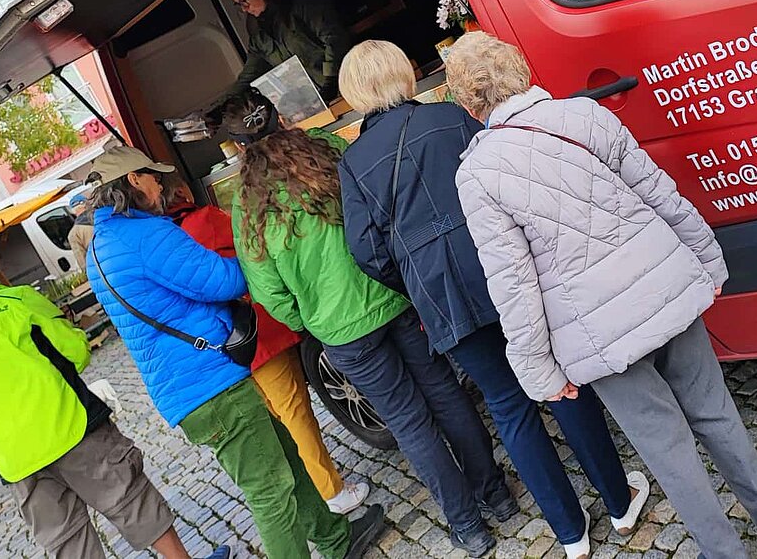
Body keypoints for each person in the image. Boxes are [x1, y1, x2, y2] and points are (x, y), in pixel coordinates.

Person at [446, 33, 757, 559]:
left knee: (667, 447)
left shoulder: (477, 175)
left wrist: (538, 370)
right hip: (665, 285)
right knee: (716, 413)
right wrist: (706, 257)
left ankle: (725, 552)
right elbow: (659, 192)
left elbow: (513, 283)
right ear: (521, 72)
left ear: (467, 104)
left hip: (599, 333)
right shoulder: (585, 116)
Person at [337, 40, 649, 558]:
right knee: (560, 383)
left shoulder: (353, 162)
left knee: (508, 407)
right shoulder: (450, 118)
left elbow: (367, 252)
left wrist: (417, 283)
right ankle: (619, 502)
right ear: (404, 74)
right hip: (502, 272)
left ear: (354, 94)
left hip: (443, 300)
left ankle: (570, 534)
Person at [85, 144, 383, 559]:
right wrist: (255, 251)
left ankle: (336, 539)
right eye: (152, 177)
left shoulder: (99, 248)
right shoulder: (144, 234)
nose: (159, 185)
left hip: (188, 389)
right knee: (271, 490)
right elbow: (221, 281)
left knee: (287, 459)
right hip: (213, 385)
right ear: (133, 180)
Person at [232, 127, 512, 558]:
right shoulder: (326, 148)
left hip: (341, 330)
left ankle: (468, 526)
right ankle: (497, 495)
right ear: (278, 117)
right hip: (393, 294)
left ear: (237, 146)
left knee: (408, 421)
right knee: (444, 391)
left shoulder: (247, 203)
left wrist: (308, 321)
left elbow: (268, 291)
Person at [0, 252, 223, 559]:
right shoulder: (17, 300)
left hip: (18, 461)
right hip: (73, 427)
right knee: (131, 501)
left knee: (68, 542)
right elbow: (76, 352)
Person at [163, 178, 368, 515]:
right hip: (262, 336)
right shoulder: (204, 220)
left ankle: (314, 495)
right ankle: (331, 491)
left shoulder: (169, 240)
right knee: (296, 414)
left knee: (280, 419)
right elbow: (251, 248)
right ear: (182, 192)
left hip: (230, 347)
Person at [221, 0, 351, 106]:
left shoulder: (303, 3)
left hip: (348, 81)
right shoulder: (259, 33)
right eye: (239, 4)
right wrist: (223, 105)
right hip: (318, 99)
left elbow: (335, 39)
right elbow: (249, 74)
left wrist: (331, 81)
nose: (244, 9)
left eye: (244, 1)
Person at [67, 191, 94, 269]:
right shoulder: (102, 217)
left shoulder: (73, 234)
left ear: (73, 211)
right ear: (86, 204)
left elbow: (83, 263)